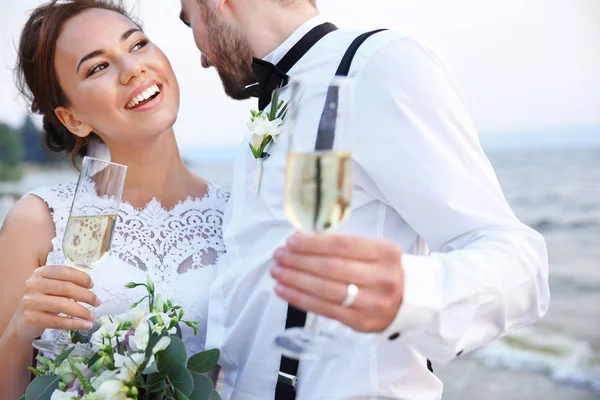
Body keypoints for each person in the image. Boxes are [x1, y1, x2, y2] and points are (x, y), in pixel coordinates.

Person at [178, 0, 551, 399]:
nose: (201, 57)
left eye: (190, 22)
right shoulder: (267, 111)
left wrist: (409, 293)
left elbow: (521, 266)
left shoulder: (377, 67)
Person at [0, 1, 229, 398]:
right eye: (97, 67)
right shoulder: (39, 222)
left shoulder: (239, 213)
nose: (133, 69)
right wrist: (22, 328)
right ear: (73, 119)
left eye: (137, 44)